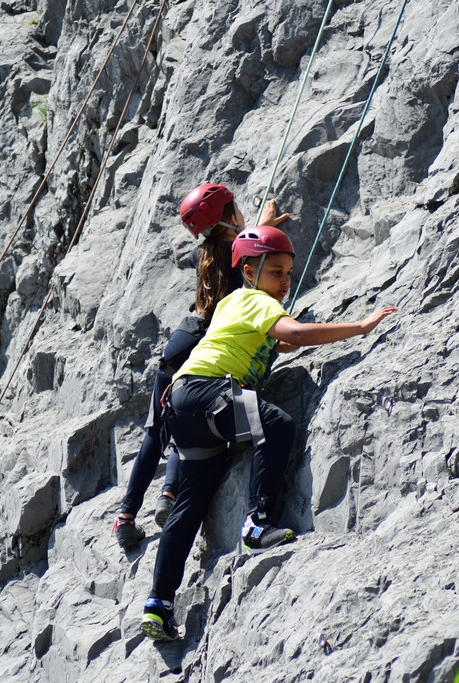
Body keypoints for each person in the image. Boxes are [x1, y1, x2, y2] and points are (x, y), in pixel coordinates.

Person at [140, 225, 397, 641]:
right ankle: (256, 524)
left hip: (185, 409)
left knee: (192, 502)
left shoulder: (233, 304)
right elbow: (293, 333)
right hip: (209, 391)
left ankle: (158, 604)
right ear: (249, 270)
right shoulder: (252, 299)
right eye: (276, 271)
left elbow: (272, 343)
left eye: (289, 274)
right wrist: (362, 327)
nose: (284, 282)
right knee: (275, 424)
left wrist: (281, 344)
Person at [113, 183, 289, 548]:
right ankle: (168, 493)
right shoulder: (234, 257)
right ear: (228, 219)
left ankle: (128, 514)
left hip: (179, 345)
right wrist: (264, 225)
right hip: (197, 357)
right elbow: (246, 257)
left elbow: (233, 246)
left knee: (157, 431)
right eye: (236, 209)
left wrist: (255, 225)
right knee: (187, 425)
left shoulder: (207, 253)